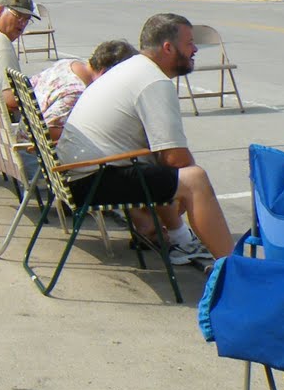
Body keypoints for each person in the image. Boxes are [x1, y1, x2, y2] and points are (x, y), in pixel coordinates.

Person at [56, 13, 234, 267]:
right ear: (168, 47)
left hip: (73, 178)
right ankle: (235, 271)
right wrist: (183, 195)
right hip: (90, 184)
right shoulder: (154, 82)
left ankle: (180, 239)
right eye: (189, 43)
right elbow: (176, 160)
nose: (195, 49)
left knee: (162, 168)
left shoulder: (130, 68)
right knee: (194, 180)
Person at [29, 39, 138, 141]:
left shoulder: (68, 64)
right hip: (35, 151)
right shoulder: (77, 92)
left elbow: (31, 84)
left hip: (26, 135)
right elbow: (48, 129)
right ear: (104, 73)